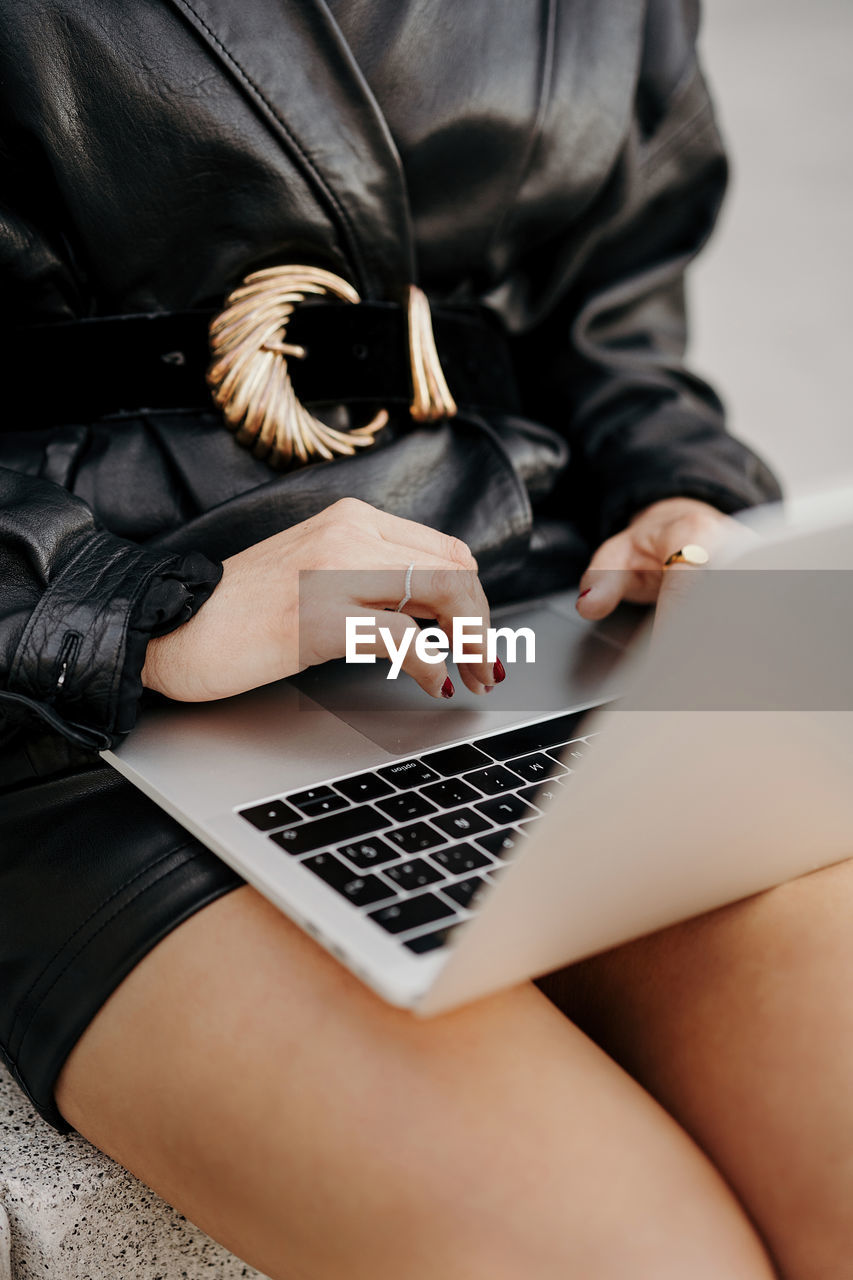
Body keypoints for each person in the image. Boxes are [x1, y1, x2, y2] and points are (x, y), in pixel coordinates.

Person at [1, 2, 850, 1277]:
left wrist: (678, 498)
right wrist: (122, 610)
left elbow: (608, 332)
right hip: (91, 711)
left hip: (532, 609)